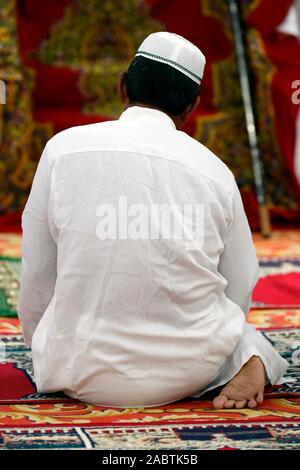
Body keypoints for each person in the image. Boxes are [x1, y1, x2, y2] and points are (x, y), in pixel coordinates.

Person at [18, 32, 288, 409]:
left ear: (122, 86)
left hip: (75, 368)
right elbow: (240, 284)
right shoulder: (216, 172)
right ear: (191, 106)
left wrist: (42, 341)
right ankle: (246, 356)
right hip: (191, 370)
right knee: (233, 323)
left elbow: (37, 268)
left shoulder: (64, 149)